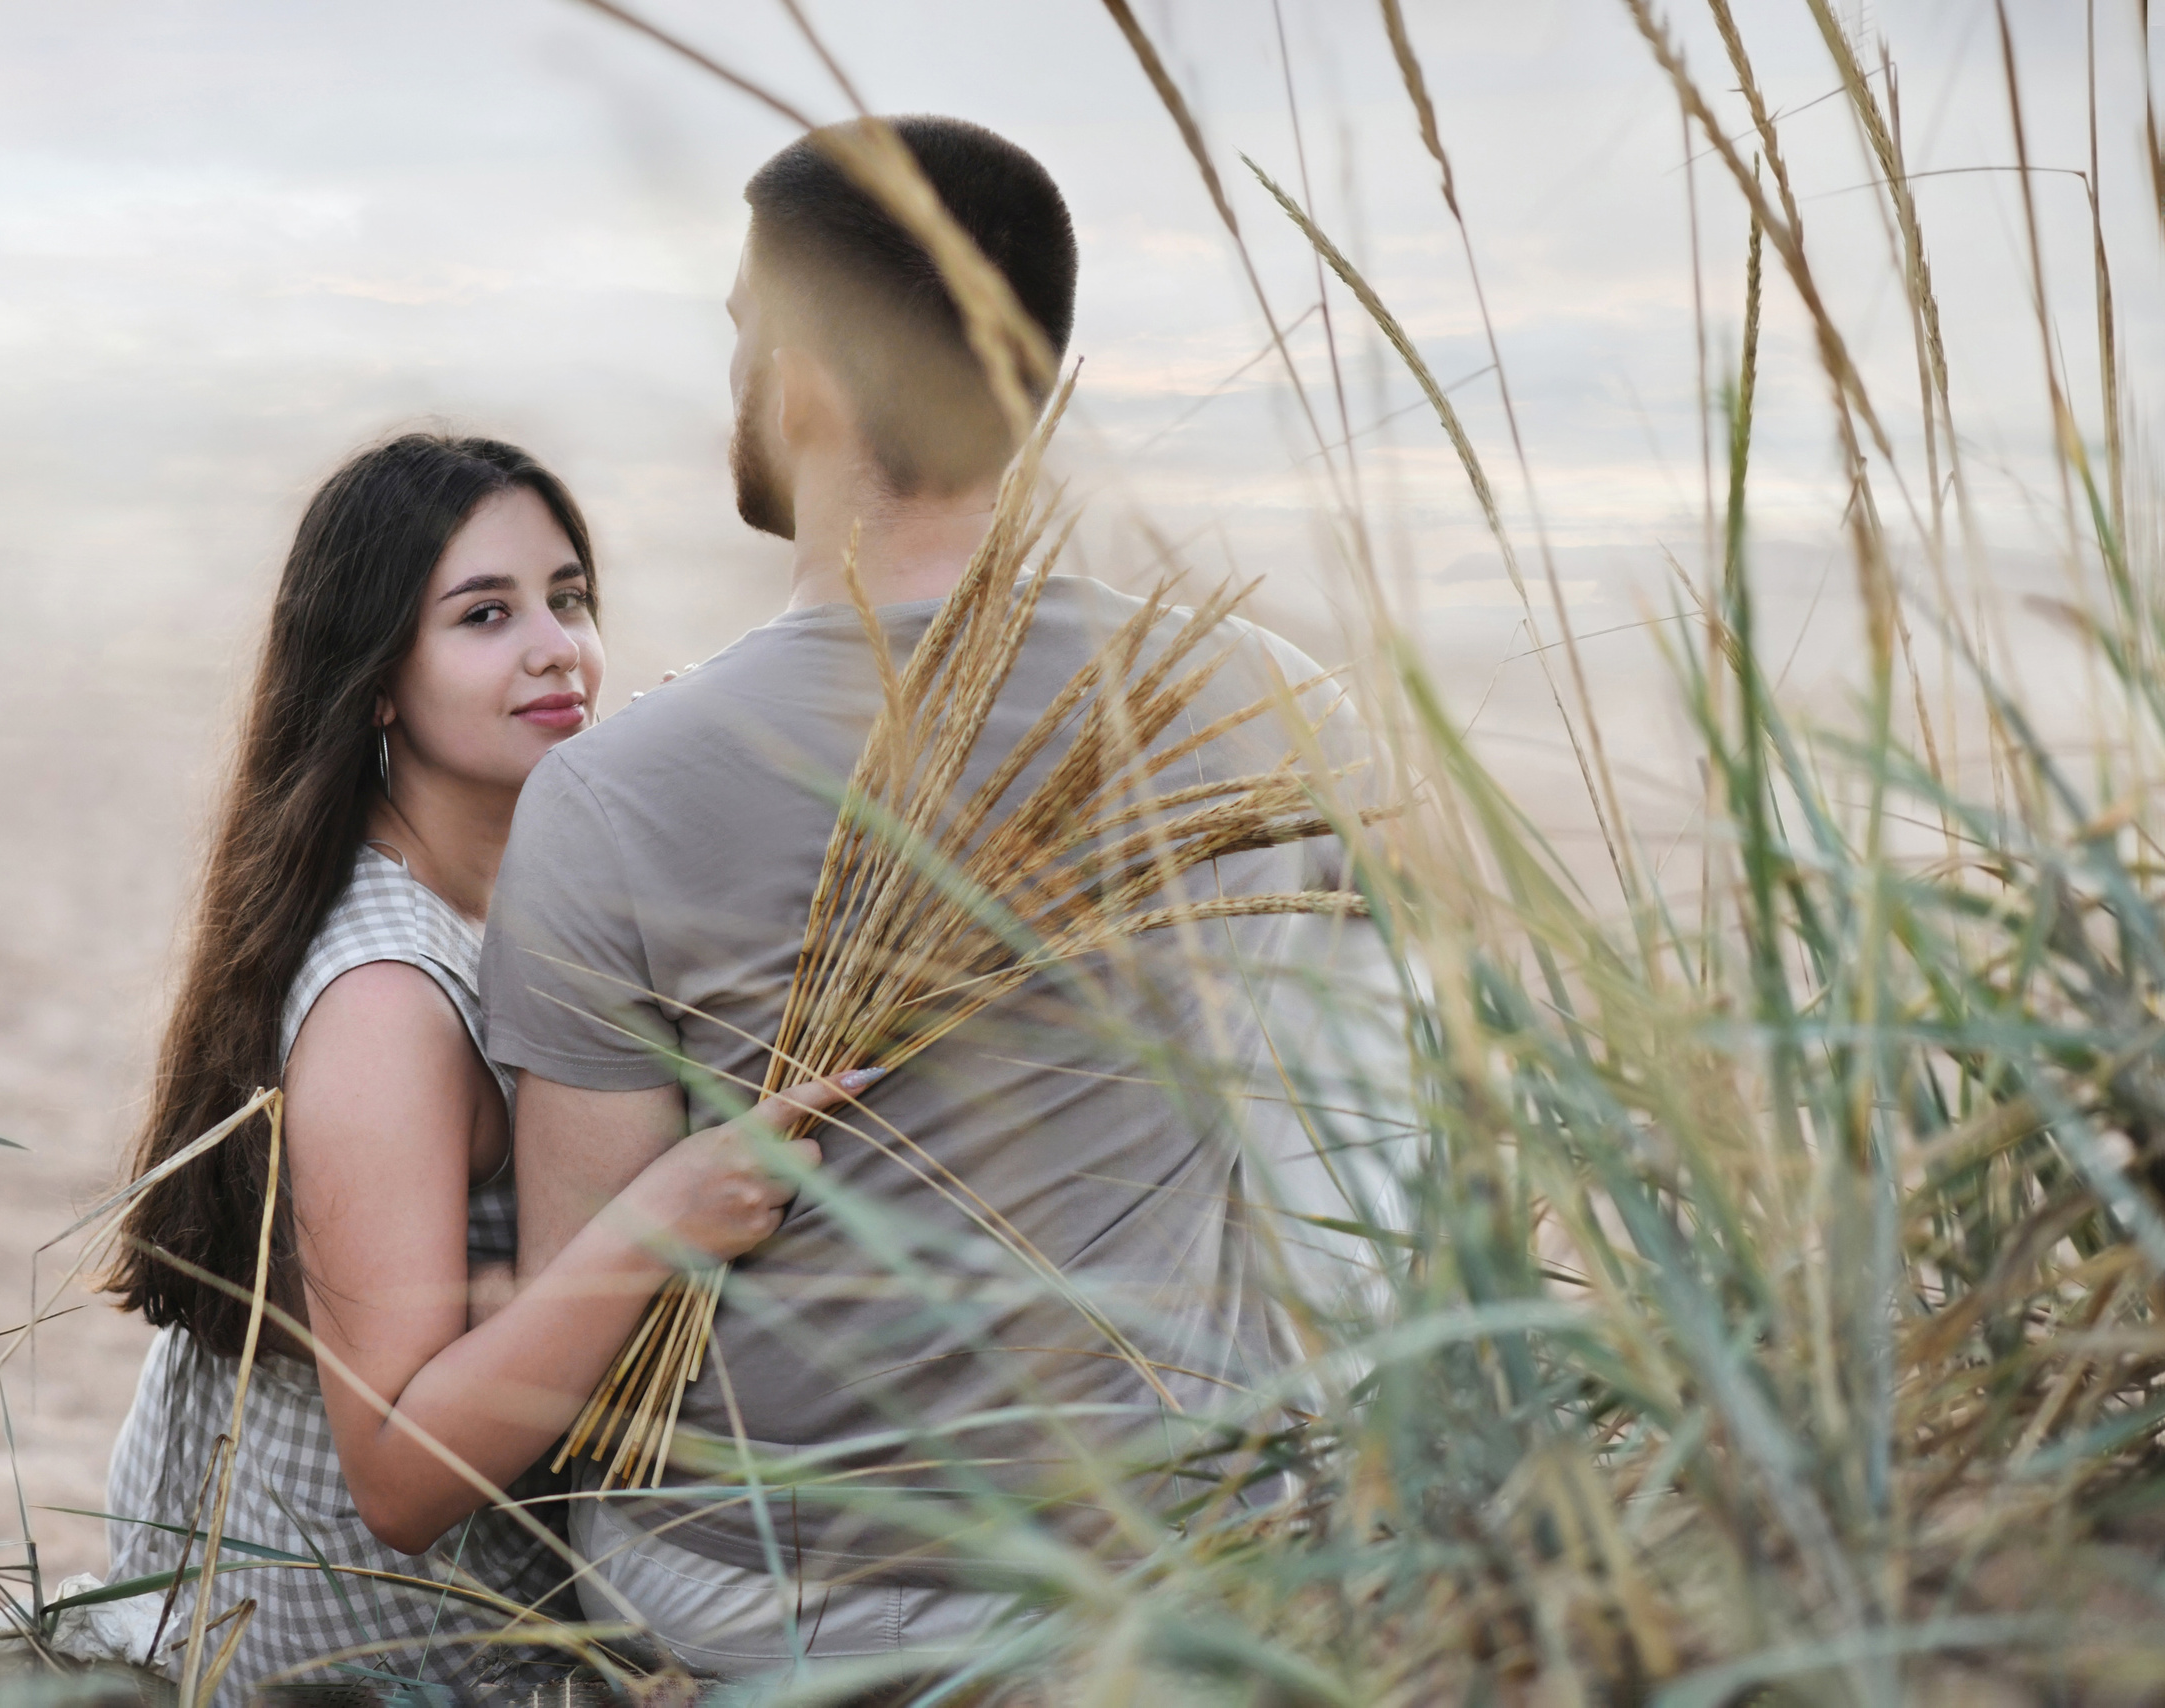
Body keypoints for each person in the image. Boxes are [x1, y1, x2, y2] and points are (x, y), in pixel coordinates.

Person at [478, 116, 1393, 1682]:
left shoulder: (613, 793)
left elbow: (596, 1310)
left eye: (745, 338)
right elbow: (1364, 1187)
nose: (734, 387)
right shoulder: (1276, 711)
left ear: (814, 377)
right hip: (1153, 1561)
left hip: (747, 1588)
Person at [97, 434, 866, 1707]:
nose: (556, 645)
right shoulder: (388, 999)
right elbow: (398, 1480)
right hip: (335, 1658)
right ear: (379, 680)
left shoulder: (520, 901)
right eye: (484, 614)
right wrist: (661, 1222)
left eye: (568, 598)